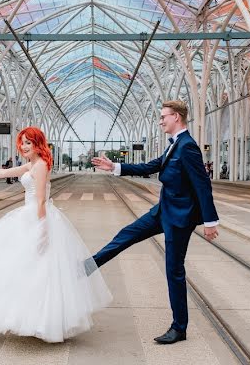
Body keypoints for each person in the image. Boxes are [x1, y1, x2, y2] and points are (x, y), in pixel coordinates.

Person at [0, 127, 111, 343]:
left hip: (37, 218)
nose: (24, 147)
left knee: (39, 270)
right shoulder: (33, 164)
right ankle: (35, 318)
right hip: (29, 216)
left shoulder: (42, 165)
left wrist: (43, 229)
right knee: (23, 267)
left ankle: (41, 320)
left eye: (29, 143)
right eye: (22, 143)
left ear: (38, 144)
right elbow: (5, 173)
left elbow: (40, 200)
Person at [90, 100, 219, 345]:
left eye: (163, 117)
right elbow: (151, 166)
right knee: (126, 234)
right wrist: (115, 166)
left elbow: (203, 185)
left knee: (174, 271)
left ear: (177, 117)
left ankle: (179, 328)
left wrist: (210, 221)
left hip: (179, 218)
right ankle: (89, 266)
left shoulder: (188, 147)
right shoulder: (176, 145)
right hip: (163, 210)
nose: (160, 121)